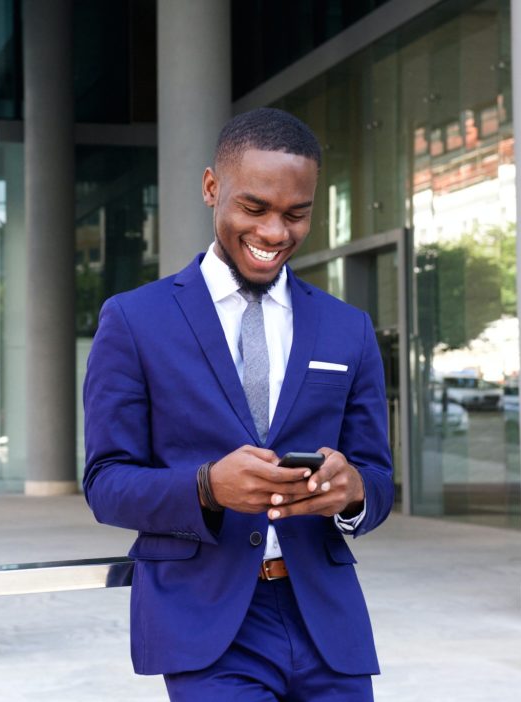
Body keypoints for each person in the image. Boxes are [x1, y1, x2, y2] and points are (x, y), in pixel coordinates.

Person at [83, 108, 394, 701]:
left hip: (327, 624)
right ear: (211, 188)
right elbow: (106, 483)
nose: (275, 233)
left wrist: (352, 490)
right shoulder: (134, 320)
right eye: (254, 208)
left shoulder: (346, 329)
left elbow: (377, 480)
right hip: (206, 627)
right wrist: (206, 487)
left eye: (296, 214)